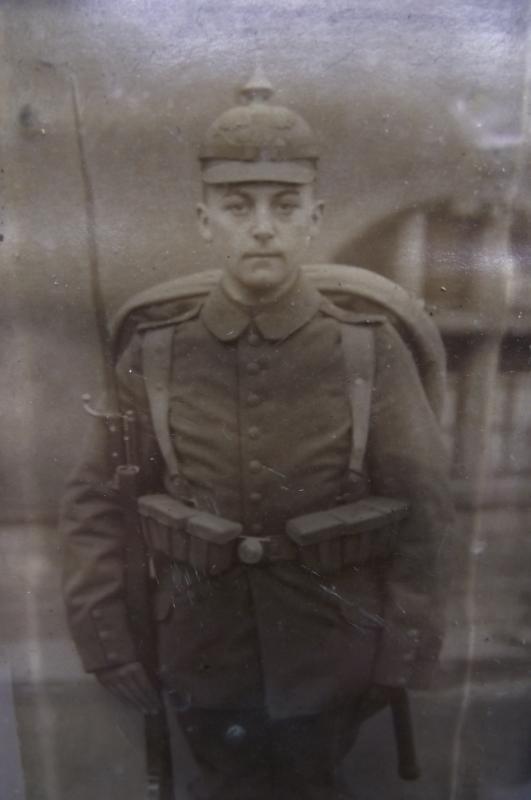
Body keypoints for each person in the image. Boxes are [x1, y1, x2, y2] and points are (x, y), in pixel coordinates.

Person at [61, 68, 453, 799]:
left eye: (284, 204)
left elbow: (424, 511)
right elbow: (95, 506)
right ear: (205, 219)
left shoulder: (368, 348)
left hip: (334, 653)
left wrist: (401, 653)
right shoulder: (153, 352)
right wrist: (107, 644)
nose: (262, 226)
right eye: (237, 206)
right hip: (199, 654)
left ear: (314, 216)